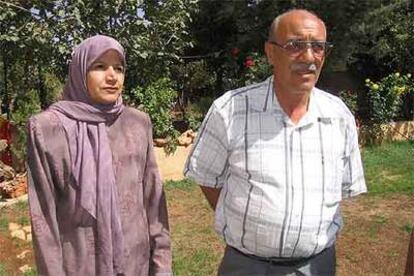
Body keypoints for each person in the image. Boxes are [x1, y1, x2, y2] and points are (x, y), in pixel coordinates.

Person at [184, 9, 366, 275]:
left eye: (318, 46)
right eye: (295, 45)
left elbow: (343, 188)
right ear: (270, 52)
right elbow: (207, 177)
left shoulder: (339, 116)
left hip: (318, 266)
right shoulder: (231, 110)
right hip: (247, 266)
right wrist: (250, 221)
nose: (308, 57)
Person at [27, 35, 172, 276]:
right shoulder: (47, 129)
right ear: (80, 71)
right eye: (100, 66)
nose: (112, 76)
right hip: (80, 265)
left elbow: (153, 200)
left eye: (119, 68)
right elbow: (43, 219)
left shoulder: (137, 123)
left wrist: (162, 266)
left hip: (136, 262)